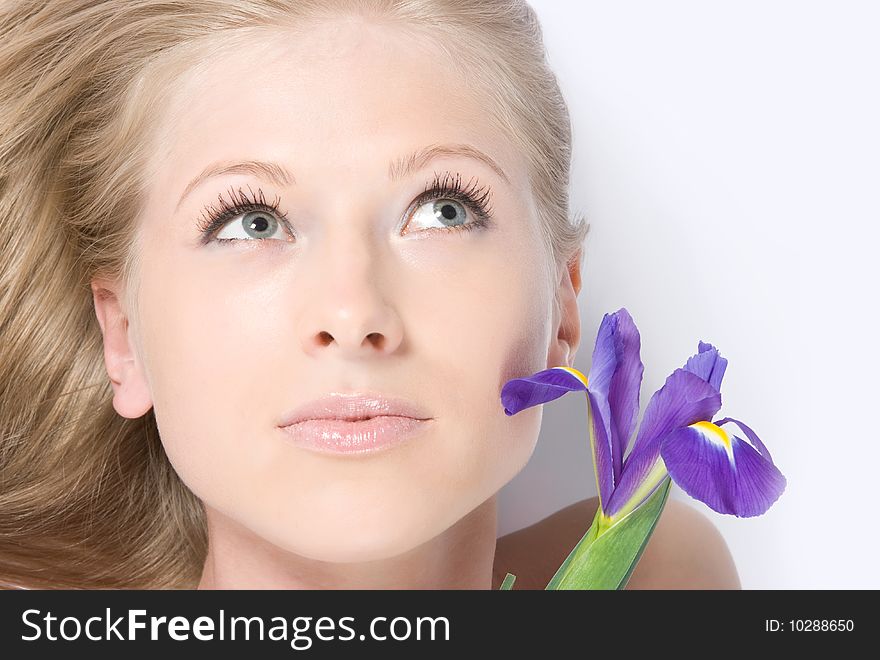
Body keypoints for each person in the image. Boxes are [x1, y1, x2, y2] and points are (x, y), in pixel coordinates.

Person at [0, 0, 739, 590]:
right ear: (122, 339)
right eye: (251, 222)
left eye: (443, 210)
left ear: (563, 305)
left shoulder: (665, 574)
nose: (353, 316)